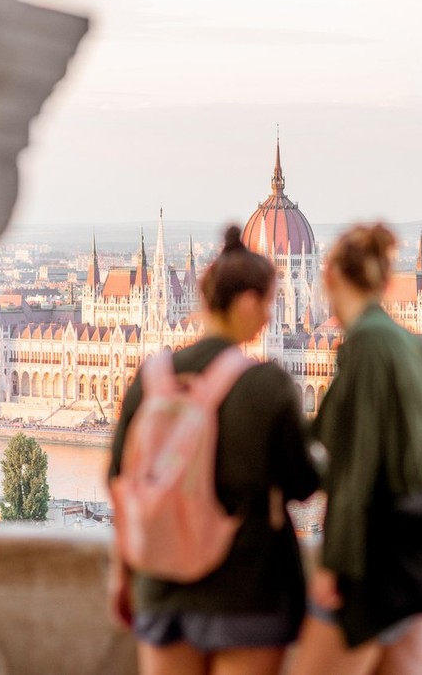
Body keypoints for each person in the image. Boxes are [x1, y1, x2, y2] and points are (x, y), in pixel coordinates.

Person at [107, 225, 319, 675]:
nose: (270, 315)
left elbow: (118, 481)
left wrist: (123, 575)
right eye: (268, 302)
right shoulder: (268, 386)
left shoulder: (151, 377)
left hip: (163, 589)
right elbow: (302, 484)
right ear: (246, 302)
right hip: (248, 594)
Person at [291, 223, 422, 675]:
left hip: (372, 566)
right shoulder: (413, 347)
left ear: (330, 280)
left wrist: (331, 568)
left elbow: (354, 469)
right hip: (421, 561)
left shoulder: (363, 347)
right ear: (384, 283)